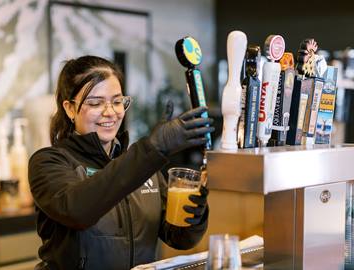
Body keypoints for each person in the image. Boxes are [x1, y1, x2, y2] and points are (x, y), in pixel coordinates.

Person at [28, 55, 214, 270]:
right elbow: (77, 210)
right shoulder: (49, 162)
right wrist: (154, 148)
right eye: (96, 103)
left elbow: (179, 238)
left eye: (117, 102)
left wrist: (195, 217)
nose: (111, 112)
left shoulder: (141, 164)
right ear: (70, 108)